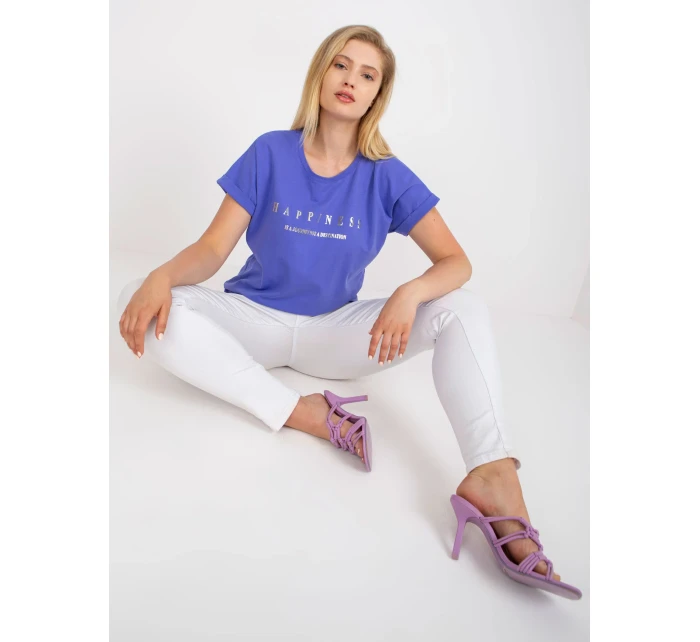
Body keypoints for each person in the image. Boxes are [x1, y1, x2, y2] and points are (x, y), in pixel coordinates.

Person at [116, 25, 581, 599]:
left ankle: (491, 471)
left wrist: (410, 292)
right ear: (321, 72)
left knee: (461, 308)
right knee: (138, 296)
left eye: (367, 74)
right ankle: (301, 411)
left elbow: (456, 263)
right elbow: (213, 250)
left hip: (336, 336)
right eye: (341, 65)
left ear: (377, 94)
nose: (350, 80)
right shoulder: (269, 152)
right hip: (252, 320)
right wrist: (160, 277)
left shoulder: (387, 175)